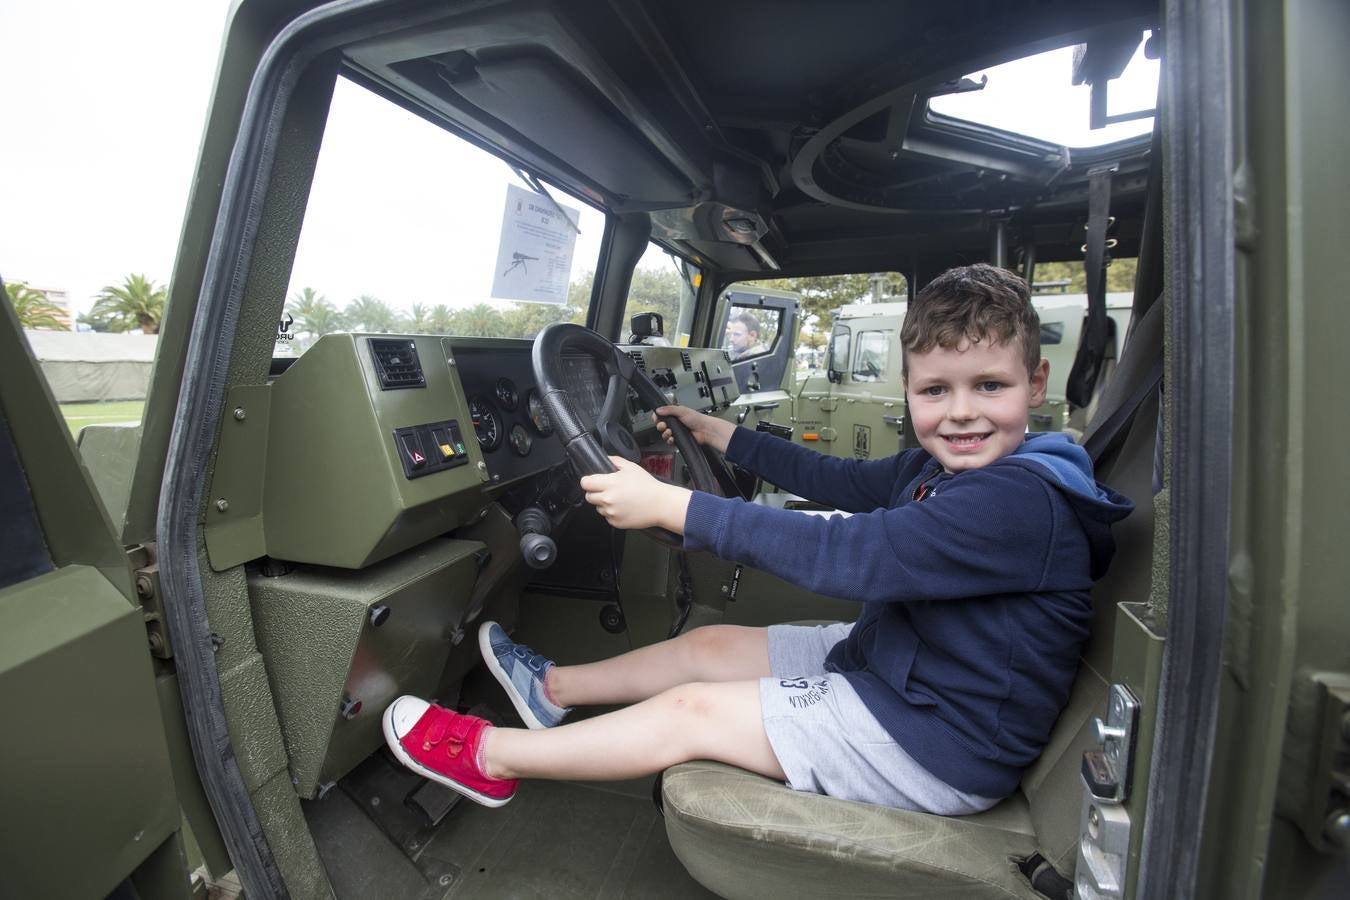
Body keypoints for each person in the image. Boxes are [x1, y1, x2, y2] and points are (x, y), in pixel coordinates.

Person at [382, 263, 1133, 813]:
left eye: (989, 387)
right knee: (709, 651)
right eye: (935, 391)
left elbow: (847, 555)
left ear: (1036, 383)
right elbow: (838, 479)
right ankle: (551, 691)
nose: (961, 414)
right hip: (908, 666)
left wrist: (678, 508)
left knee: (693, 714)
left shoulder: (1017, 502)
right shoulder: (953, 469)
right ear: (908, 388)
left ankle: (488, 757)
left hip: (938, 742)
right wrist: (726, 436)